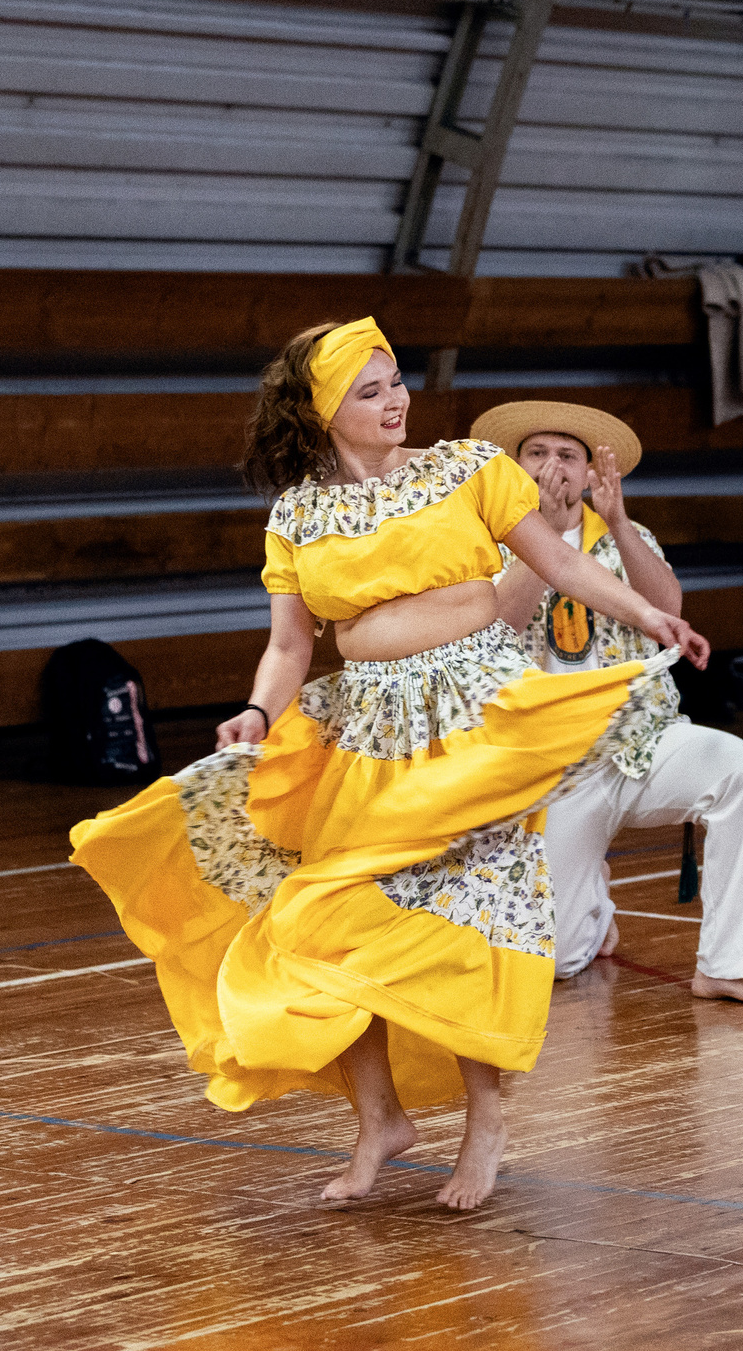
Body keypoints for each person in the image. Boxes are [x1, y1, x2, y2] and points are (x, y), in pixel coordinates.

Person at [69, 319, 710, 1210]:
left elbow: (561, 559)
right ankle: (382, 1119)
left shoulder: (466, 472)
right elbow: (291, 647)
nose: (396, 400)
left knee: (477, 915)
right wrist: (259, 710)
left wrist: (649, 617)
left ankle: (486, 1124)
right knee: (324, 917)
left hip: (474, 714)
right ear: (325, 411)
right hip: (368, 728)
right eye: (370, 391)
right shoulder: (297, 515)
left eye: (397, 382)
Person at [476, 399, 743, 1008]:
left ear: (593, 473)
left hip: (641, 737)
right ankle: (591, 900)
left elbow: (667, 606)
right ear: (514, 468)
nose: (553, 468)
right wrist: (538, 536)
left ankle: (730, 963)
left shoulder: (625, 534)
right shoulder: (487, 542)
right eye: (537, 454)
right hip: (552, 764)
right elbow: (497, 629)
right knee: (559, 965)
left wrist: (616, 522)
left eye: (568, 456)